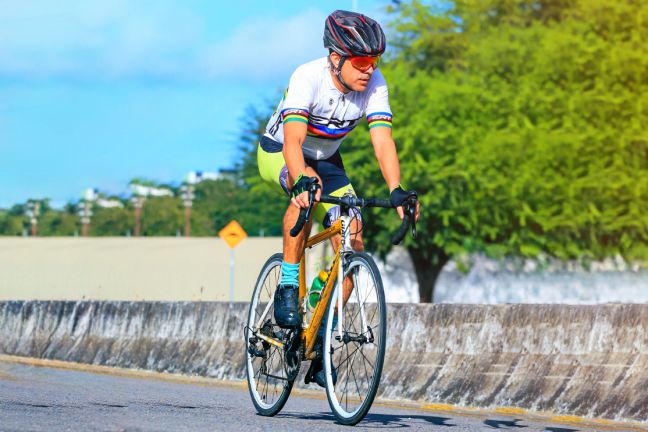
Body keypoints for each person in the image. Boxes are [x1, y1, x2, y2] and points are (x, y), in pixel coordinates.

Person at [257, 10, 419, 387]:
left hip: (327, 158)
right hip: (280, 151)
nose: (368, 69)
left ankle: (318, 323)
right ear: (335, 58)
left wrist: (396, 189)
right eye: (361, 61)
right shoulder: (307, 76)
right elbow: (294, 141)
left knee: (353, 233)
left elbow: (382, 141)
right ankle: (288, 284)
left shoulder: (375, 84)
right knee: (308, 194)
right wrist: (299, 181)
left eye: (374, 61)